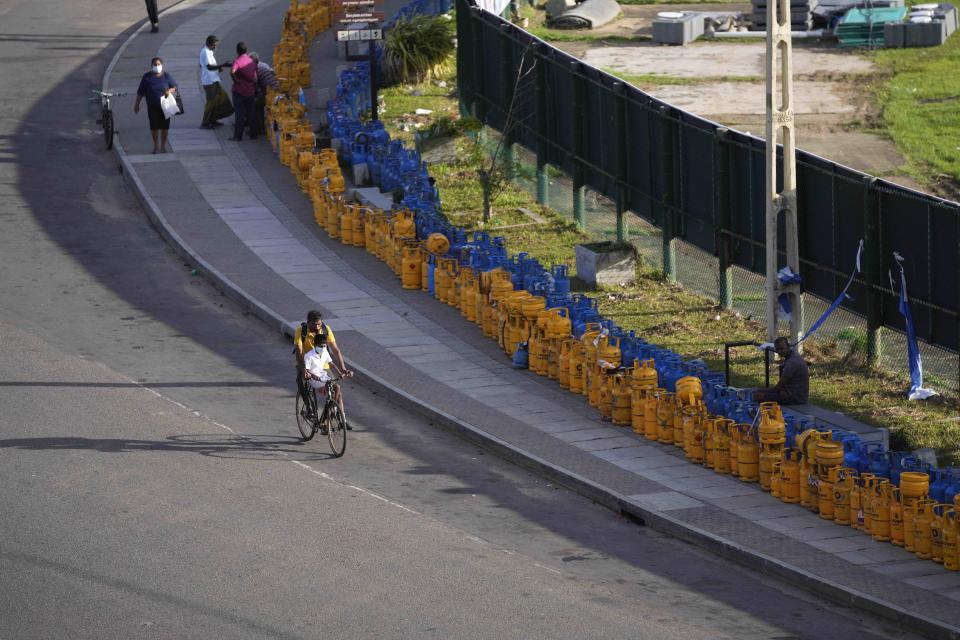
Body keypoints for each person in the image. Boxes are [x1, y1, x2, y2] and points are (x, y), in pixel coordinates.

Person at [295, 310, 353, 428]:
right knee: (301, 381)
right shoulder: (301, 332)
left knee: (336, 390)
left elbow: (335, 350)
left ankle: (340, 417)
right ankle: (309, 409)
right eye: (314, 324)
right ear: (308, 323)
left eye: (319, 324)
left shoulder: (326, 330)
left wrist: (342, 368)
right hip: (307, 364)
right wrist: (304, 370)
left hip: (323, 366)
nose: (317, 327)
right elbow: (299, 352)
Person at [134, 57, 177, 154]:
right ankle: (156, 147)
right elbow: (140, 92)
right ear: (151, 66)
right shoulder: (147, 77)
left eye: (158, 64)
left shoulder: (166, 75)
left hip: (166, 106)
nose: (157, 66)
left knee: (165, 127)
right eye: (155, 65)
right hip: (152, 106)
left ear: (162, 65)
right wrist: (137, 104)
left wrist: (169, 91)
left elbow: (174, 87)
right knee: (154, 127)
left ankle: (163, 147)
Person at [753, 337, 809, 405]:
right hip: (796, 394)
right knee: (761, 393)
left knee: (758, 396)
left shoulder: (791, 363)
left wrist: (759, 390)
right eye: (777, 349)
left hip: (795, 398)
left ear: (788, 346)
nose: (779, 351)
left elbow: (777, 388)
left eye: (781, 348)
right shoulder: (793, 355)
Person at [199, 35, 231, 129]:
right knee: (211, 102)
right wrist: (223, 65)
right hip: (209, 82)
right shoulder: (205, 52)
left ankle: (213, 119)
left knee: (220, 98)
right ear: (210, 43)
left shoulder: (209, 52)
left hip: (214, 80)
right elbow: (209, 66)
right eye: (214, 45)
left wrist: (218, 68)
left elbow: (204, 65)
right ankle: (205, 123)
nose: (215, 47)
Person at [229, 42, 257, 141]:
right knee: (251, 113)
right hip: (250, 91)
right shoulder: (251, 60)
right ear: (246, 50)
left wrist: (236, 80)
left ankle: (238, 136)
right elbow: (255, 78)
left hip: (239, 91)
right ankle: (253, 134)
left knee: (239, 114)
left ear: (237, 51)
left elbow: (232, 72)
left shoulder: (237, 61)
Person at [249, 52, 278, 137]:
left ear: (256, 60)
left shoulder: (256, 69)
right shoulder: (264, 64)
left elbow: (255, 83)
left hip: (272, 93)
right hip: (275, 89)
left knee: (256, 104)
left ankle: (259, 127)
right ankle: (260, 125)